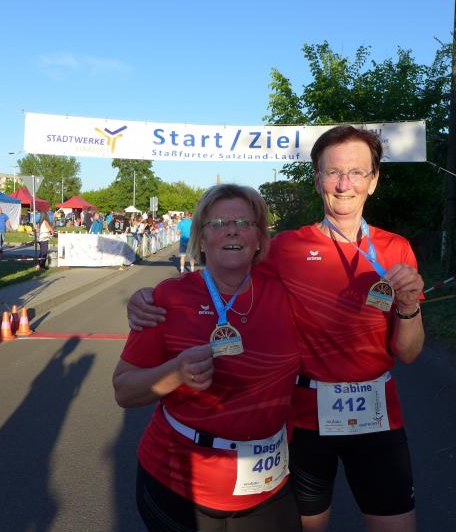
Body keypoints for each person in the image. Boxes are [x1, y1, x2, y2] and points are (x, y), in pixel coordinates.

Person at [128, 126, 425, 532]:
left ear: (373, 181)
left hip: (377, 413)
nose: (344, 184)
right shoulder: (285, 248)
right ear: (318, 179)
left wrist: (408, 307)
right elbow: (224, 274)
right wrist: (149, 298)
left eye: (357, 172)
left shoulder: (397, 249)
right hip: (304, 419)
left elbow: (408, 352)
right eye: (333, 172)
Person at [113, 184, 302, 532]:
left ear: (259, 238)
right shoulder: (169, 297)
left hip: (267, 486)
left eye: (244, 222)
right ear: (201, 239)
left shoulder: (287, 290)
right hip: (180, 483)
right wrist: (175, 373)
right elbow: (124, 390)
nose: (232, 230)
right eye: (218, 223)